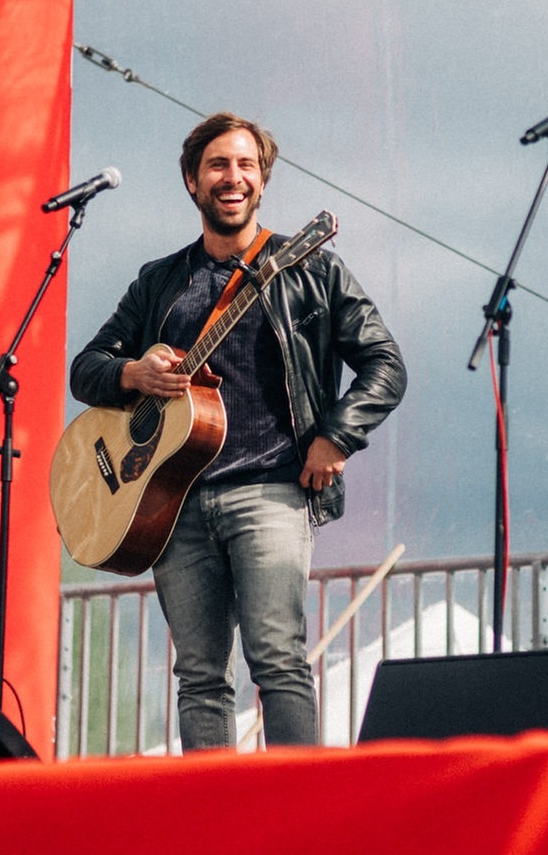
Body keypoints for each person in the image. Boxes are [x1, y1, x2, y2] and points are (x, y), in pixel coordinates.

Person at [69, 112, 407, 750]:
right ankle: (211, 825)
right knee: (198, 677)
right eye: (219, 165)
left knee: (277, 660)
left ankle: (296, 820)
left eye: (247, 165)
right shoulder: (159, 281)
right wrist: (133, 373)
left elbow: (386, 365)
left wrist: (336, 436)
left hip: (273, 490)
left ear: (263, 179)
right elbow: (85, 369)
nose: (234, 177)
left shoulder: (313, 269)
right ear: (193, 183)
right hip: (172, 502)